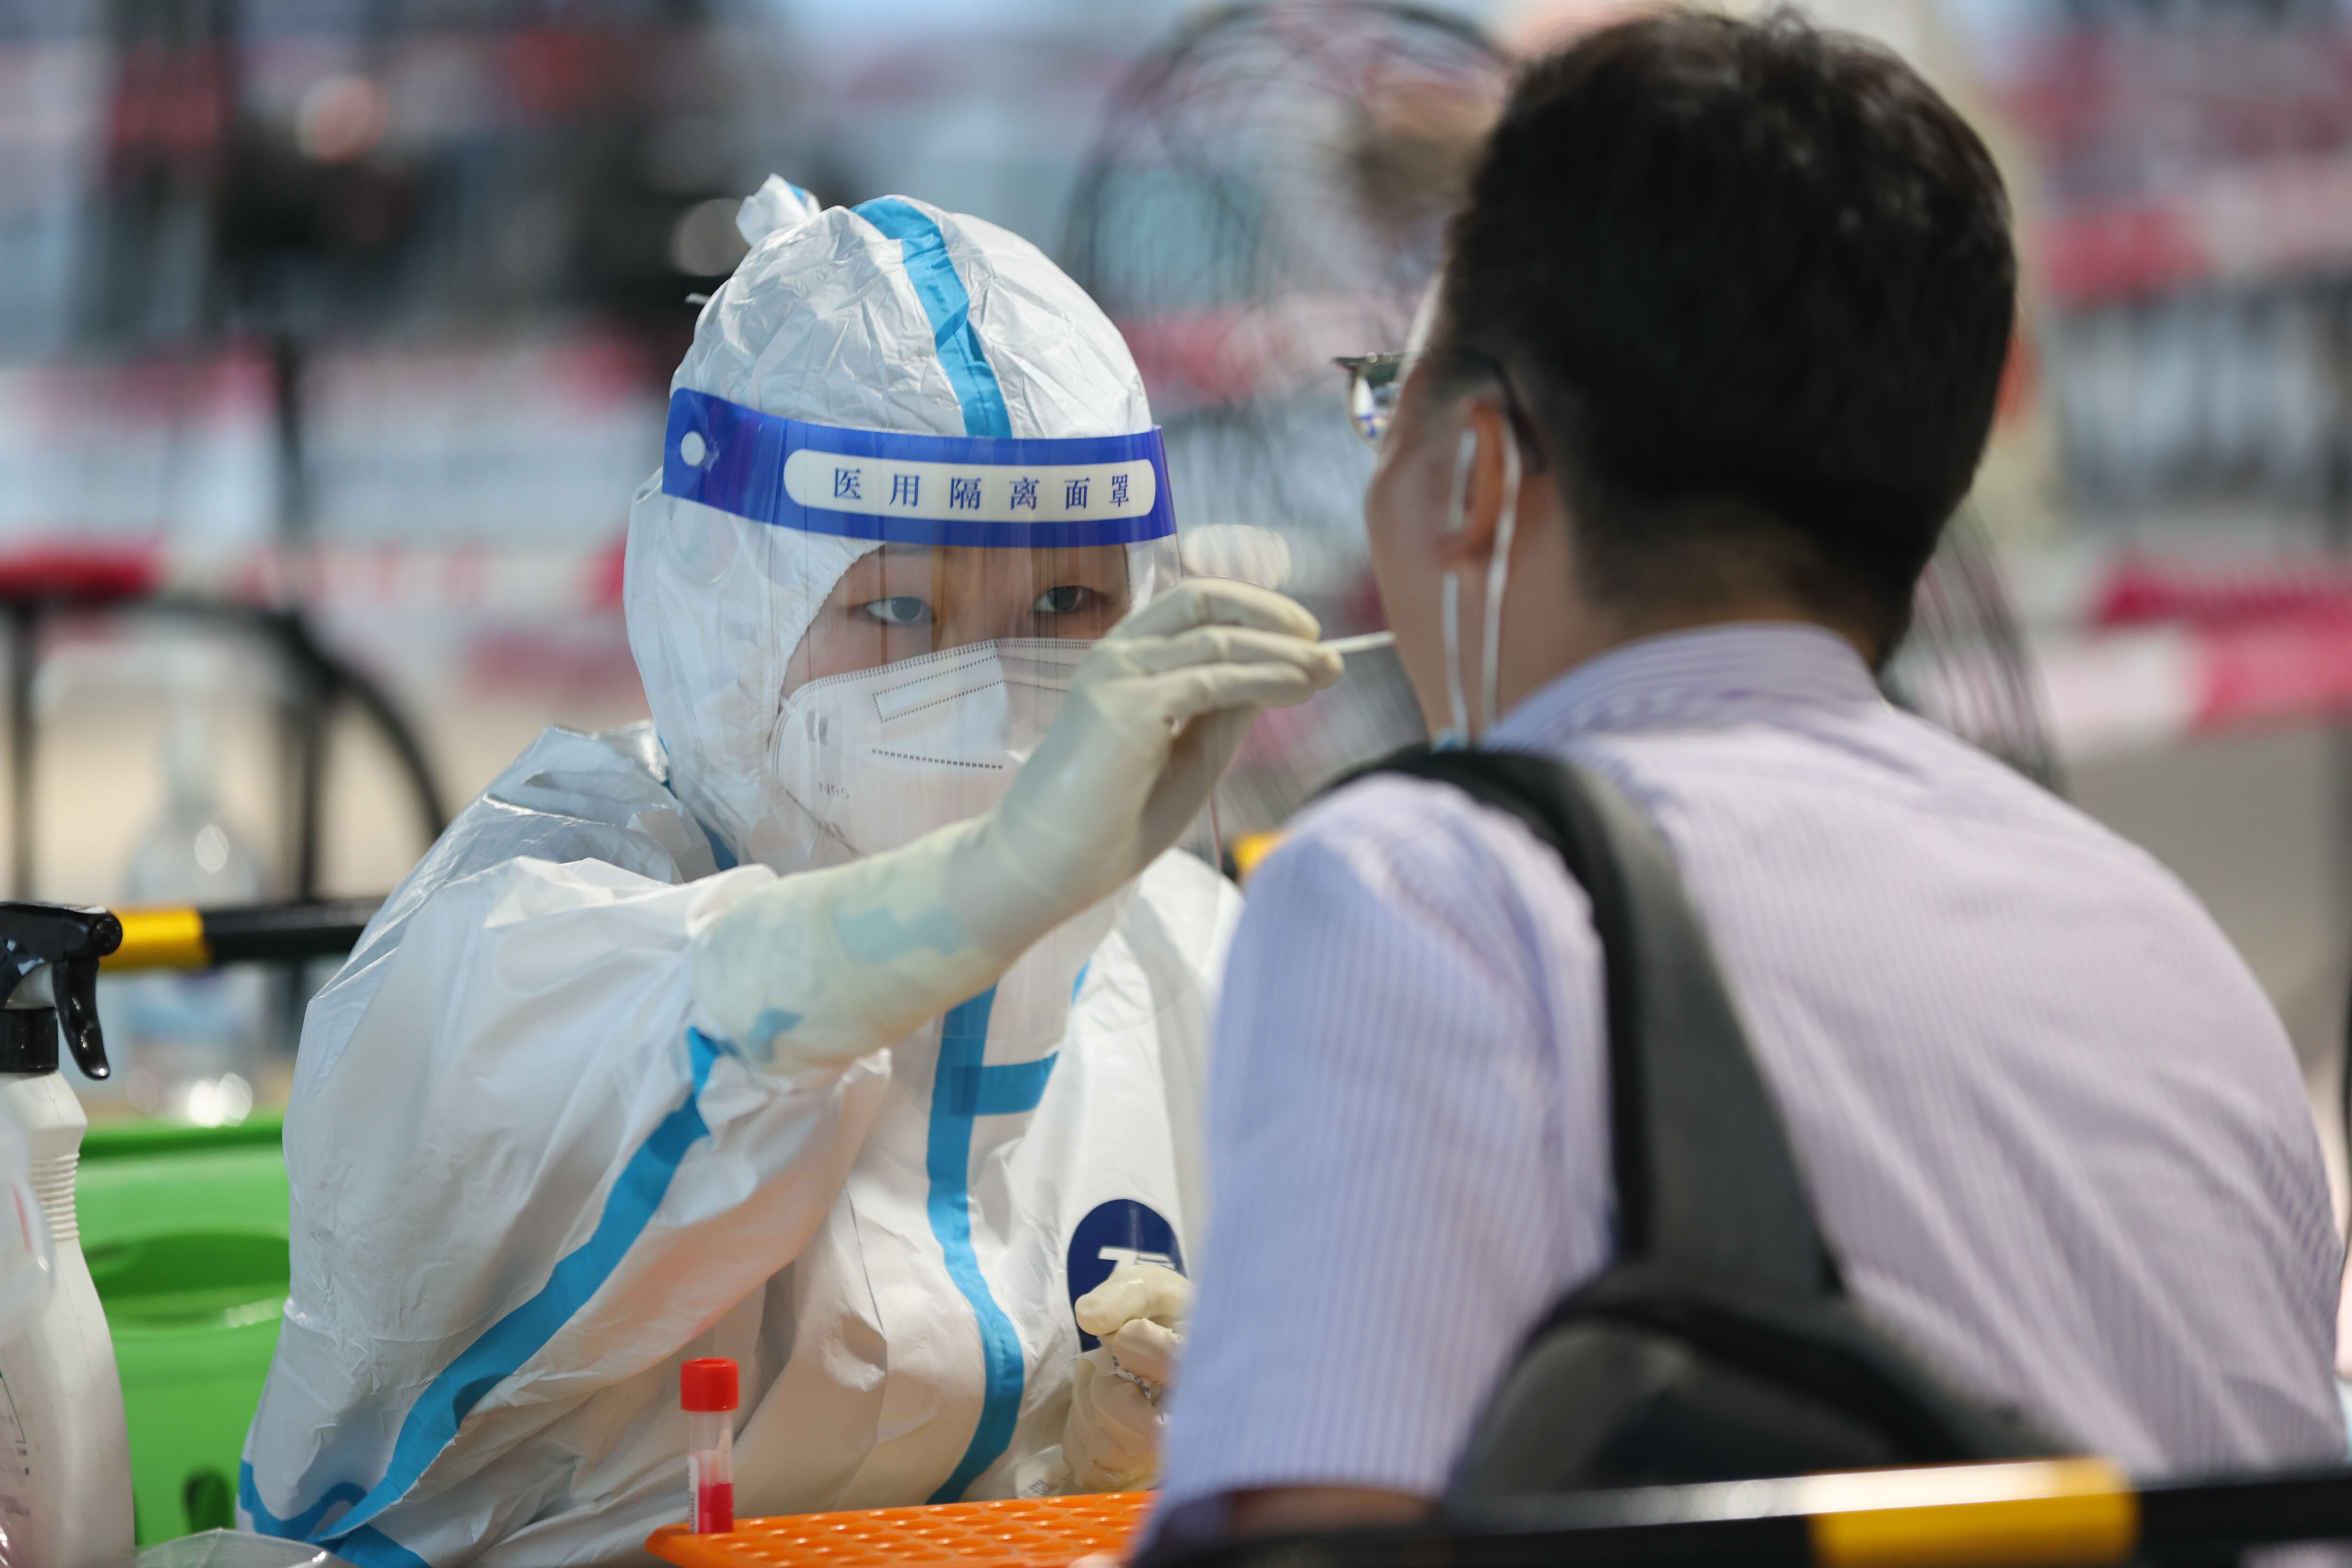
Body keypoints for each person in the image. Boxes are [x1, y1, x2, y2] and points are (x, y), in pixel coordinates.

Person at [1153, 10, 2346, 1545]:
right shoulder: (2173, 949)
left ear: (1477, 472)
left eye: (1394, 398)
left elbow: (1302, 1544)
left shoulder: (1423, 893)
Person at [238, 176, 1339, 1565]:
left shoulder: (1189, 960)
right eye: (895, 610)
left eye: (1066, 603)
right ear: (731, 614)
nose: (991, 686)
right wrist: (989, 885)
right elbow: (695, 1027)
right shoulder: (533, 928)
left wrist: (1115, 1460)